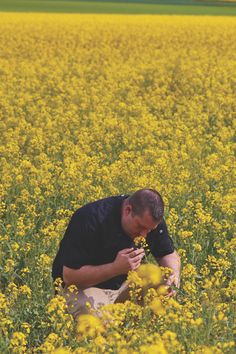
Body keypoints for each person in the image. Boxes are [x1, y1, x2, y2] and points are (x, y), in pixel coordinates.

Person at [52, 188, 181, 319]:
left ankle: (140, 334)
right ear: (128, 210)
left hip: (124, 286)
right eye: (140, 227)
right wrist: (115, 268)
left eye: (149, 230)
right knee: (99, 322)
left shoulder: (149, 221)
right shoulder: (90, 218)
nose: (144, 234)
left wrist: (173, 277)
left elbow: (168, 254)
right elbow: (69, 276)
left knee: (163, 286)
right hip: (83, 287)